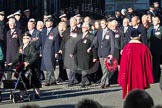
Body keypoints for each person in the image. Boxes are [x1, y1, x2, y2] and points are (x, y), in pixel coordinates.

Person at [118, 28, 154, 99]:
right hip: (140, 75)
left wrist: (122, 78)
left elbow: (123, 65)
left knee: (130, 97)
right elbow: (148, 63)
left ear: (131, 37)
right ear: (139, 36)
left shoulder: (126, 48)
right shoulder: (144, 48)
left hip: (129, 76)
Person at [10, 32, 41, 100]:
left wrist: (28, 63)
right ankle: (21, 96)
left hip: (31, 67)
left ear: (29, 39)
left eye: (27, 38)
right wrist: (12, 63)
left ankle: (37, 94)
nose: (25, 39)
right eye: (24, 38)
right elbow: (18, 56)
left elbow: (34, 56)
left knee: (34, 82)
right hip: (23, 67)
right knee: (22, 82)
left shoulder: (31, 47)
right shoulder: (21, 47)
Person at [88, 19, 115, 89]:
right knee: (104, 69)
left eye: (103, 23)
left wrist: (111, 53)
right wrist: (90, 47)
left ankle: (102, 82)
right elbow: (95, 40)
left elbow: (112, 44)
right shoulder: (99, 32)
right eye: (101, 24)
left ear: (106, 23)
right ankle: (107, 82)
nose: (102, 25)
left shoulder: (110, 32)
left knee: (106, 68)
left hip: (107, 53)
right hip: (100, 52)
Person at [71, 22, 96, 87]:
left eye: (84, 27)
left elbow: (93, 47)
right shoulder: (79, 35)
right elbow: (76, 45)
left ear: (88, 28)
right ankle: (87, 81)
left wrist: (95, 57)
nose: (83, 28)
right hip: (79, 54)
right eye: (82, 27)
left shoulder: (91, 36)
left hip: (87, 55)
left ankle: (83, 82)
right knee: (82, 68)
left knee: (85, 69)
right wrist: (72, 52)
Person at [39, 16, 60, 86]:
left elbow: (56, 43)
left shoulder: (54, 31)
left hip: (51, 50)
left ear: (51, 23)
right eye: (46, 22)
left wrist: (56, 52)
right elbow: (42, 42)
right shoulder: (44, 31)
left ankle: (47, 80)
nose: (47, 24)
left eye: (49, 22)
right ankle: (53, 80)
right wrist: (41, 51)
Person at [147, 16, 162, 82]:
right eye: (153, 20)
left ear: (158, 21)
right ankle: (153, 75)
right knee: (152, 63)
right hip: (151, 48)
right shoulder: (150, 28)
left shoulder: (161, 28)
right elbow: (148, 37)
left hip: (158, 48)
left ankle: (156, 76)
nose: (154, 22)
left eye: (155, 20)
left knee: (157, 62)